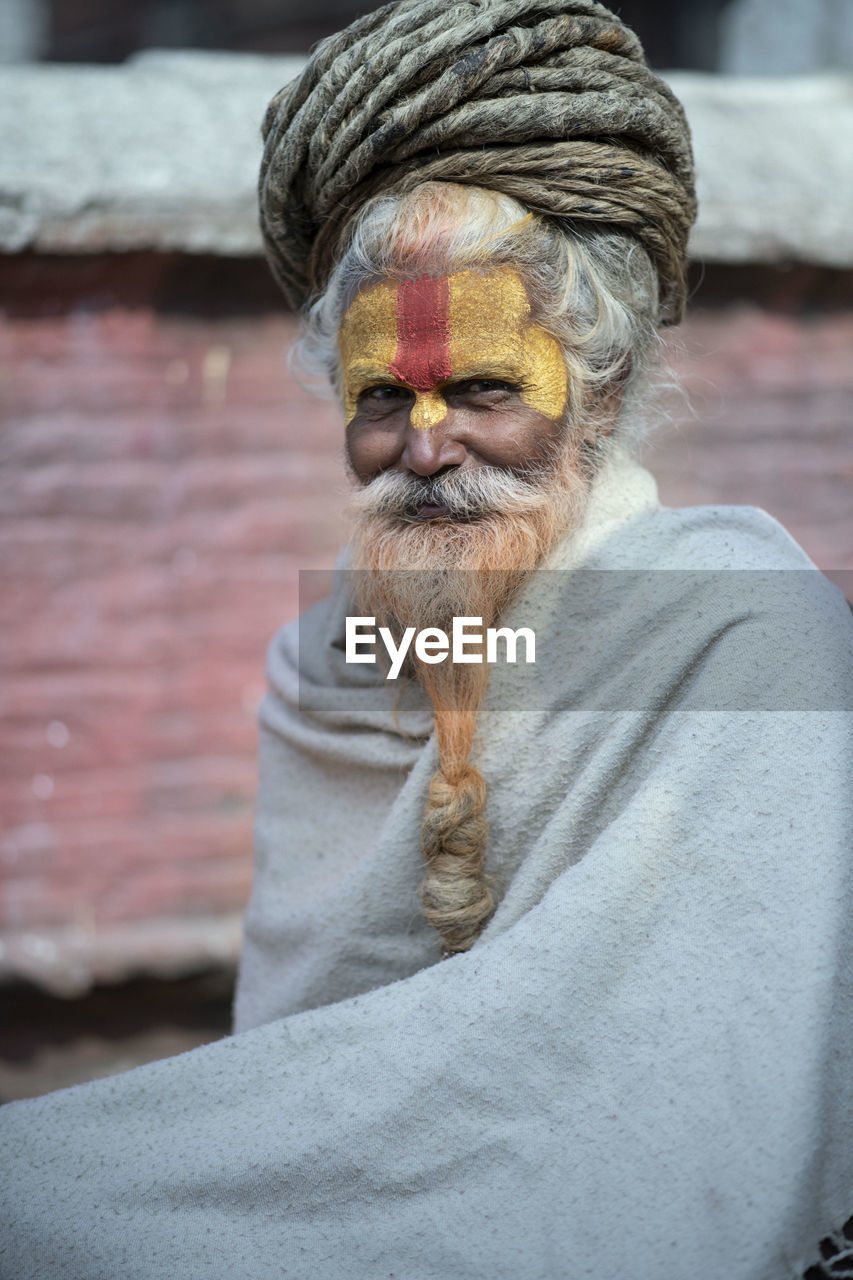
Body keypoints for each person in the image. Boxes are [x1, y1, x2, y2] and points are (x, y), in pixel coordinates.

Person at [1, 3, 851, 1278]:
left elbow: (671, 1099)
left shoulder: (739, 624)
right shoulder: (330, 647)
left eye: (487, 391)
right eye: (381, 398)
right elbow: (297, 1066)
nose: (425, 444)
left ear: (600, 392)